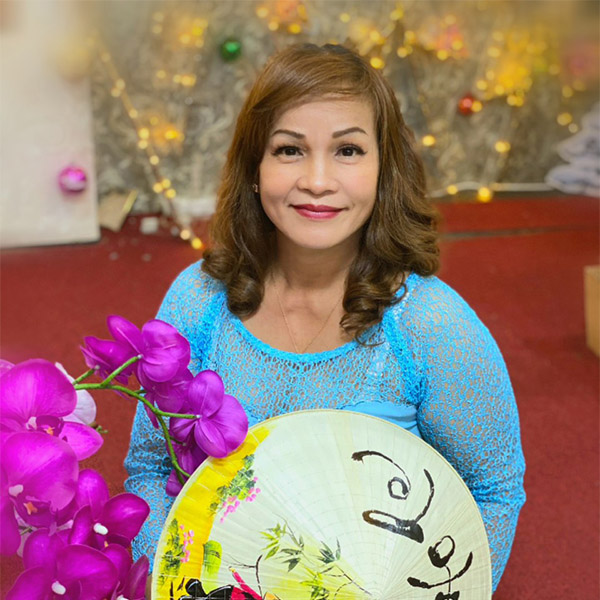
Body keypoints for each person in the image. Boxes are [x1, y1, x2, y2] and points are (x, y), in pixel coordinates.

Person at [125, 43, 525, 594]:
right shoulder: (197, 299)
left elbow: (494, 492)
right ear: (254, 168)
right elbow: (149, 470)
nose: (317, 180)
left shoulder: (433, 326)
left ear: (384, 170)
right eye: (289, 150)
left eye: (348, 150)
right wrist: (178, 584)